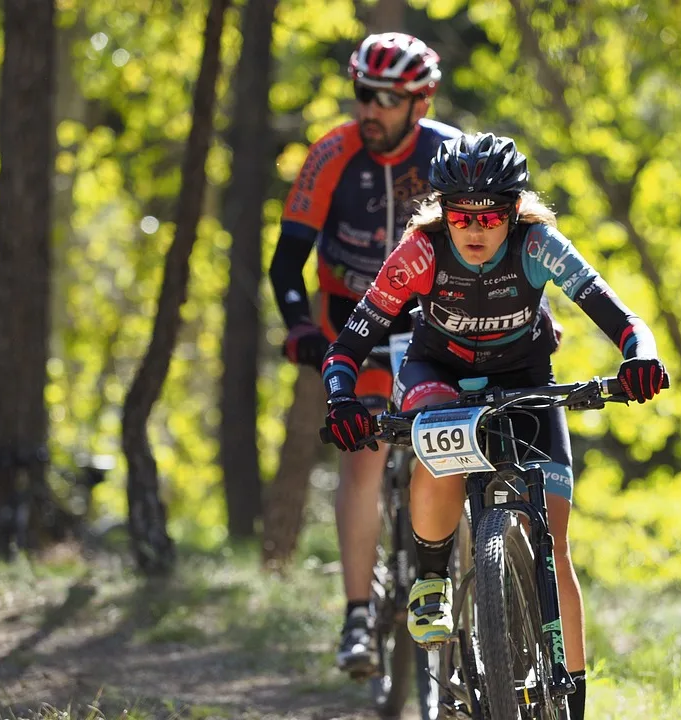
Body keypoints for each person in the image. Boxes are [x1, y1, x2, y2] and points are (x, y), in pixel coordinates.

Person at [320, 132, 666, 720]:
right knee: (435, 437)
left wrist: (640, 356)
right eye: (460, 216)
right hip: (438, 371)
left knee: (554, 547)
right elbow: (347, 346)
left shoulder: (540, 244)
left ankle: (573, 698)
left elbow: (622, 317)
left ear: (514, 212)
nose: (474, 231)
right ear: (443, 214)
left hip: (524, 377)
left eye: (490, 216)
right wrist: (341, 400)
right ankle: (431, 580)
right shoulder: (421, 253)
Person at [268, 32, 461, 676]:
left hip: (431, 323)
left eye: (387, 98)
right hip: (352, 326)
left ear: (420, 100)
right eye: (363, 94)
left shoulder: (450, 154)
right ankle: (358, 614)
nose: (370, 110)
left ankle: (460, 576)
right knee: (363, 463)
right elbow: (286, 263)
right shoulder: (331, 154)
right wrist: (300, 328)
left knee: (446, 443)